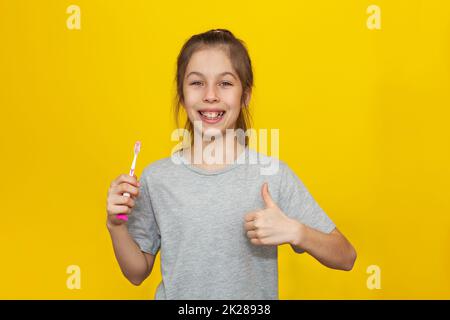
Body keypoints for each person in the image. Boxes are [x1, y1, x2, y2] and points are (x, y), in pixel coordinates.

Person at [106, 29, 357, 300]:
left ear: (245, 95)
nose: (211, 95)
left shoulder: (273, 175)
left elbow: (346, 257)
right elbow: (136, 273)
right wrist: (115, 225)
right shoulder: (156, 178)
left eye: (225, 83)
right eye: (196, 83)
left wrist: (296, 232)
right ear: (182, 94)